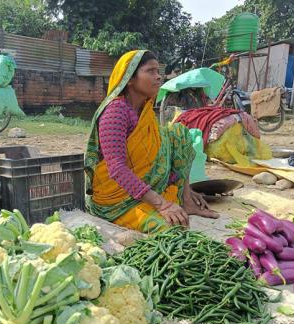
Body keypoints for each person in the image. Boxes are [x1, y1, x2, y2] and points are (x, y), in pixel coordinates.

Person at [85, 50, 218, 233]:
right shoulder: (115, 112)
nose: (158, 77)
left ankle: (186, 200)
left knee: (179, 133)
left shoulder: (144, 109)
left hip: (142, 187)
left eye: (158, 72)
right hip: (117, 198)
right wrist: (162, 204)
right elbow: (116, 168)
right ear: (129, 79)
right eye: (151, 71)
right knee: (168, 228)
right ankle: (162, 202)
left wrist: (182, 191)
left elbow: (156, 153)